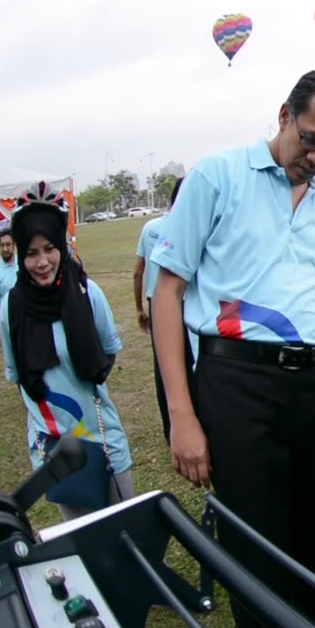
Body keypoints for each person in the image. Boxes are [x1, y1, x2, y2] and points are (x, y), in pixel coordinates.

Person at [149, 69, 315, 628]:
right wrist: (182, 416)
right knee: (255, 542)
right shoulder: (217, 177)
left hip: (313, 386)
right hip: (237, 382)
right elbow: (168, 293)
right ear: (284, 115)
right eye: (313, 139)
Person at [0, 182, 135, 521]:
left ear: (61, 245)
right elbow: (19, 377)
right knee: (84, 549)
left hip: (104, 443)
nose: (42, 262)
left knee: (128, 538)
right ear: (20, 255)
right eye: (31, 253)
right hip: (55, 453)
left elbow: (107, 355)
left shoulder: (89, 294)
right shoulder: (10, 309)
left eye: (49, 249)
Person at [133, 178, 196, 445]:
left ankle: (170, 427)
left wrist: (138, 307)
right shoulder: (190, 227)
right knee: (192, 359)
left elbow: (138, 270)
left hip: (154, 302)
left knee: (164, 365)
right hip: (186, 300)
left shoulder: (151, 227)